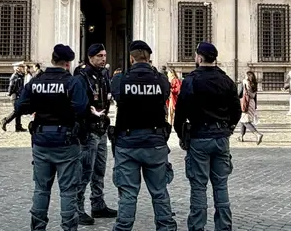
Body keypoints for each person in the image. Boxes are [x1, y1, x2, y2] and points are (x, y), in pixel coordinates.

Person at [14, 44, 88, 231]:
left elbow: (20, 106)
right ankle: (69, 227)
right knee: (68, 191)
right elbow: (81, 108)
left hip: (41, 140)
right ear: (68, 63)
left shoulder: (36, 81)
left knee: (41, 189)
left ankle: (38, 227)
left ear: (53, 60)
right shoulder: (72, 82)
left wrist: (38, 107)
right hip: (66, 141)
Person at [110, 40, 177, 231]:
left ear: (131, 59)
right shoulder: (161, 80)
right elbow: (165, 95)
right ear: (148, 58)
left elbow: (116, 96)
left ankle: (123, 228)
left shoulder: (120, 79)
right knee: (159, 191)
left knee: (128, 194)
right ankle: (166, 227)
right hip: (155, 141)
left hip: (127, 142)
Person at [174, 42, 241, 231]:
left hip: (199, 136)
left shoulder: (191, 80)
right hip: (221, 137)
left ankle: (197, 226)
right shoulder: (226, 80)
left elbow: (180, 112)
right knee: (221, 185)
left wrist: (181, 135)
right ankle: (224, 226)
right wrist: (228, 128)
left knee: (198, 186)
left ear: (200, 57)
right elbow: (236, 111)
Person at [75, 43, 118, 225]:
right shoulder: (82, 75)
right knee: (85, 171)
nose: (103, 59)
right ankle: (77, 209)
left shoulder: (104, 74)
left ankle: (98, 204)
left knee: (99, 169)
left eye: (104, 55)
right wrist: (89, 112)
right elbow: (77, 103)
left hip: (101, 128)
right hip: (88, 130)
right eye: (99, 56)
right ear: (90, 57)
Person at [235, 71, 262, 144]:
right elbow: (255, 96)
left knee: (246, 121)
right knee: (243, 119)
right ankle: (241, 136)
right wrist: (255, 107)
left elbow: (239, 94)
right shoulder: (254, 84)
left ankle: (257, 134)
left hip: (246, 103)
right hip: (252, 102)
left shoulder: (244, 82)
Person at [1, 62, 28, 132]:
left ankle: (18, 126)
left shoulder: (20, 75)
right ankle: (5, 121)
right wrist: (10, 93)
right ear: (18, 68)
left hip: (19, 95)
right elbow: (11, 86)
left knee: (19, 111)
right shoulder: (15, 76)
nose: (23, 69)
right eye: (22, 67)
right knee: (17, 111)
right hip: (15, 95)